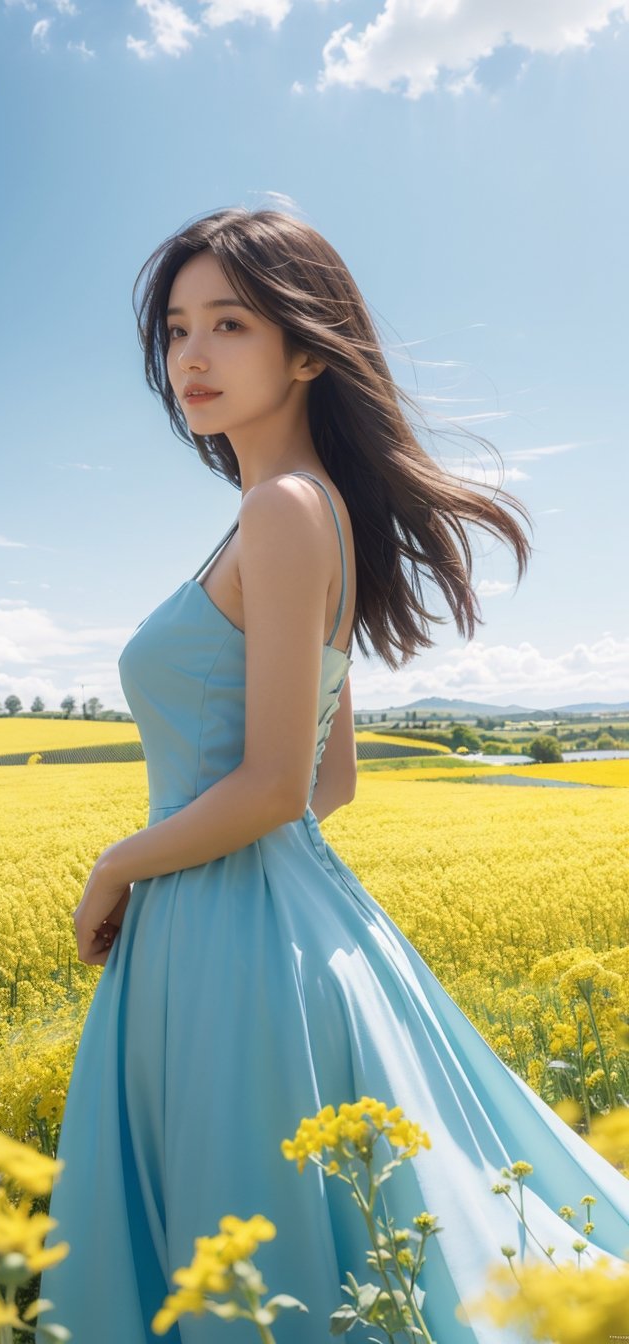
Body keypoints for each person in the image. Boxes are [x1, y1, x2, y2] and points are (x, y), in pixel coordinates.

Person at [36, 208, 629, 1343]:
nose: (191, 358)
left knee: (254, 1263)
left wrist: (125, 864)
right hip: (271, 919)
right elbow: (332, 776)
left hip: (223, 935)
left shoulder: (282, 509)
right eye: (175, 330)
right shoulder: (311, 514)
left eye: (230, 324)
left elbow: (273, 786)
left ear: (307, 351)